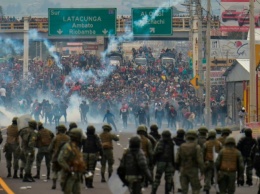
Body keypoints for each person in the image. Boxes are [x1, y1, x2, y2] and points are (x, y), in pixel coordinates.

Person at [176, 130, 204, 194]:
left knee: (184, 189)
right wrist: (202, 171)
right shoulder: (197, 147)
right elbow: (200, 160)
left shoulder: (181, 146)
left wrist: (178, 168)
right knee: (196, 189)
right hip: (193, 170)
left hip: (183, 169)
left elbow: (177, 159)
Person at [58, 128, 85, 194]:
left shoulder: (76, 147)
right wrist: (68, 169)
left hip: (76, 174)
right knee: (68, 191)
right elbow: (61, 159)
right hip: (69, 175)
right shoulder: (68, 147)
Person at [152, 130, 175, 194]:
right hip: (169, 163)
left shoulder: (159, 142)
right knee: (168, 179)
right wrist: (174, 164)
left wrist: (154, 162)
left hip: (161, 162)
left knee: (157, 178)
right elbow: (174, 155)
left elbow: (155, 153)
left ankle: (153, 191)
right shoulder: (172, 143)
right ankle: (167, 192)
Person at [48, 125, 70, 190]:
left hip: (56, 156)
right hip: (65, 157)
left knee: (55, 171)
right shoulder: (68, 138)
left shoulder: (56, 137)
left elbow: (50, 148)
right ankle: (63, 184)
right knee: (63, 171)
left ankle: (54, 183)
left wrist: (52, 153)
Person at [172, 128, 186, 192]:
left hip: (173, 160)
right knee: (182, 174)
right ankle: (180, 186)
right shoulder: (185, 142)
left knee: (174, 174)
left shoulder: (173, 141)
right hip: (182, 161)